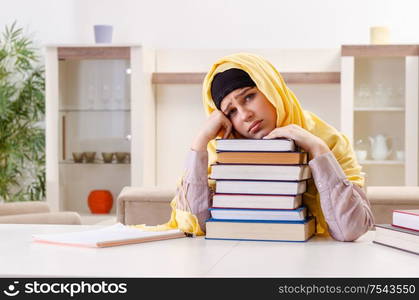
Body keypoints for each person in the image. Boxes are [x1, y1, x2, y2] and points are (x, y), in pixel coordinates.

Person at [140, 52, 375, 242]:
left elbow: (350, 230)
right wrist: (200, 143)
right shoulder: (222, 155)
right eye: (231, 111)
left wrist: (317, 150)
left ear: (272, 89)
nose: (245, 115)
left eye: (249, 96)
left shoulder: (329, 142)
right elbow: (196, 225)